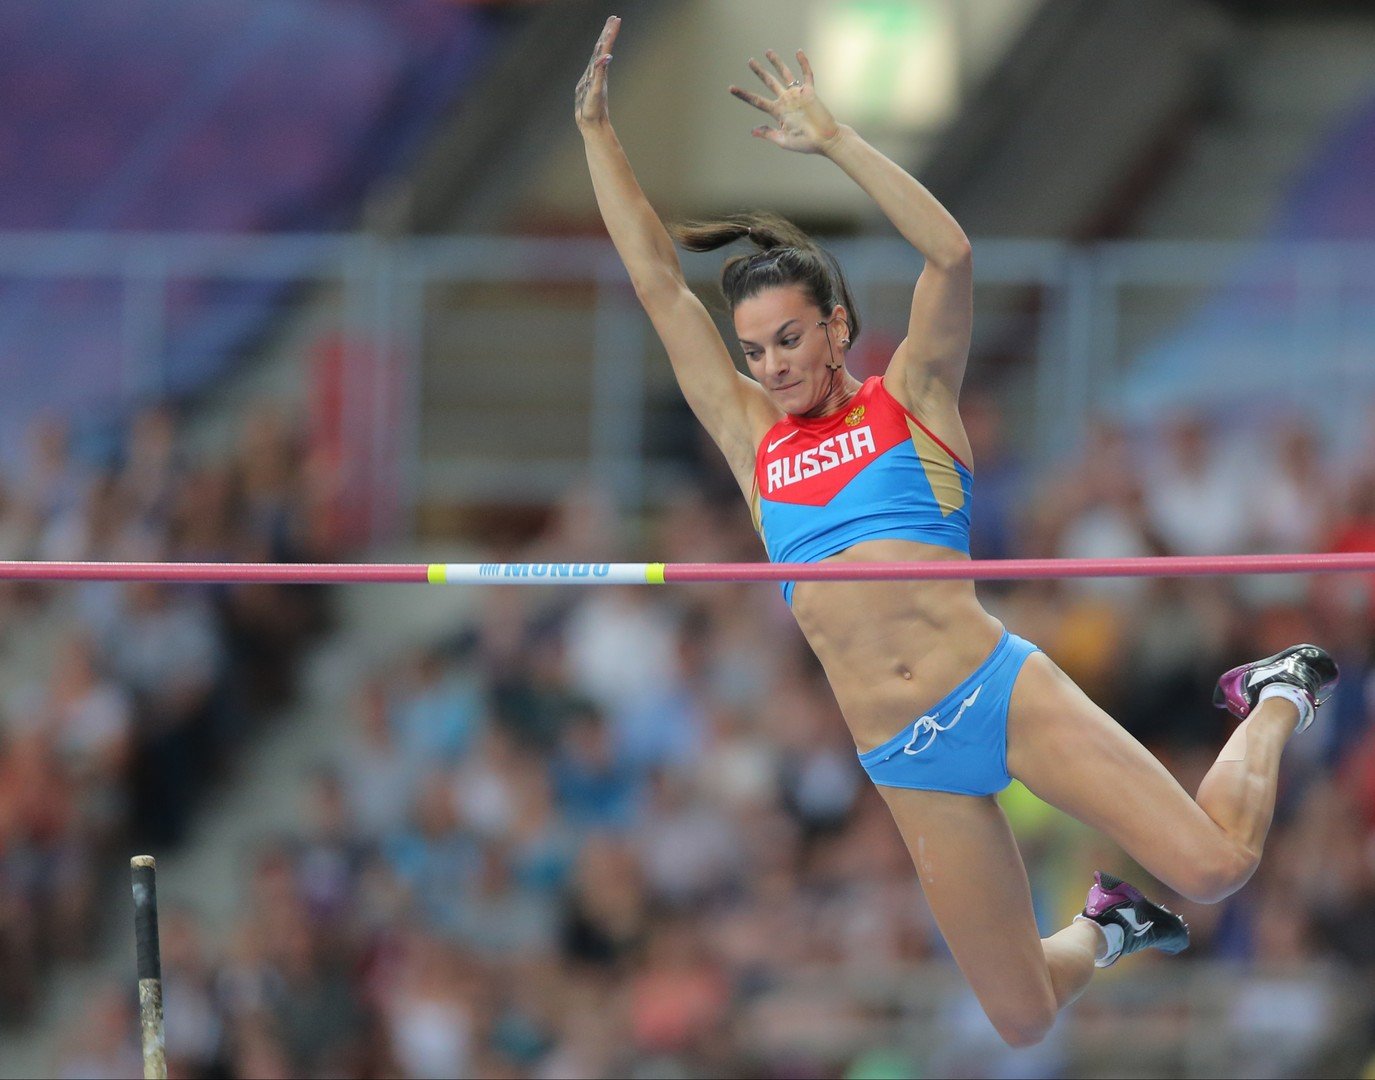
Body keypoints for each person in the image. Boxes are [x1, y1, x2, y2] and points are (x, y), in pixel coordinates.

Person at [574, 16, 1338, 1047]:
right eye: (754, 350)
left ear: (836, 325)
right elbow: (659, 288)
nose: (772, 364)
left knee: (1213, 867)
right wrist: (596, 135)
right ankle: (1108, 929)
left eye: (789, 337)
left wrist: (836, 140)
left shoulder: (913, 399)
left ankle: (1277, 693)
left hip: (995, 692)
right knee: (1020, 1014)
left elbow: (950, 253)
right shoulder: (752, 443)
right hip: (899, 753)